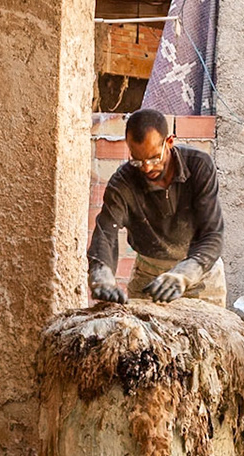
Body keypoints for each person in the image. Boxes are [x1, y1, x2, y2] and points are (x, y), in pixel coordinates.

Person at [88, 107, 227, 306]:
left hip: (201, 275)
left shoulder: (199, 167)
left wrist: (184, 274)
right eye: (136, 160)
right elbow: (105, 233)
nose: (147, 167)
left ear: (169, 142)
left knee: (207, 335)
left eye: (154, 158)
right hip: (149, 277)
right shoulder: (123, 182)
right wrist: (102, 273)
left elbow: (212, 234)